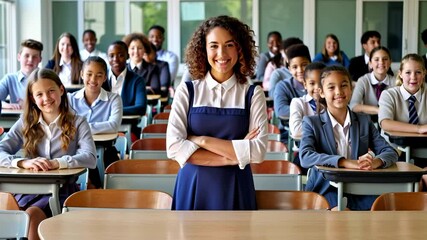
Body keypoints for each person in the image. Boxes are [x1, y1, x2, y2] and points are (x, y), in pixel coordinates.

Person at [166, 15, 268, 210]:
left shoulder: (253, 93)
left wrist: (201, 140)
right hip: (193, 184)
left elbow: (257, 152)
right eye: (213, 45)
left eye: (229, 45)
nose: (221, 53)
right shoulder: (187, 90)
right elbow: (173, 147)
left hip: (236, 184)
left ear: (240, 49)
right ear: (203, 50)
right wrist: (231, 158)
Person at [0, 68, 97, 239]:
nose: (46, 98)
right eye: (39, 94)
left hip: (62, 191)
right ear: (32, 98)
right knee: (24, 214)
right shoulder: (25, 122)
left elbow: (90, 157)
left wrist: (58, 163)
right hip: (26, 191)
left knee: (32, 215)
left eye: (51, 91)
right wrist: (22, 162)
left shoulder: (78, 122)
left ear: (61, 90)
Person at [299, 65, 398, 210]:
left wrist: (376, 162)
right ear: (321, 92)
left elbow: (389, 152)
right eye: (331, 87)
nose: (339, 92)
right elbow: (306, 156)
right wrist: (344, 162)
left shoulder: (364, 121)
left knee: (384, 210)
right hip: (327, 189)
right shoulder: (311, 123)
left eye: (344, 85)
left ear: (351, 89)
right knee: (341, 216)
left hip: (361, 188)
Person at [68, 56, 122, 188]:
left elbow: (113, 125)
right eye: (89, 74)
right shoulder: (70, 99)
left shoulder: (114, 99)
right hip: (75, 150)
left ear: (105, 78)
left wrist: (81, 128)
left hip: (105, 150)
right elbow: (66, 126)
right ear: (81, 74)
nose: (93, 80)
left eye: (99, 75)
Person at [378, 53, 427, 168]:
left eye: (418, 72)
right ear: (400, 74)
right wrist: (419, 129)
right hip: (394, 152)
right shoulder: (388, 94)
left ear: (424, 73)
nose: (413, 77)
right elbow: (385, 123)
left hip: (424, 152)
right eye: (408, 72)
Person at [103, 41, 147, 141]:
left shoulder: (137, 80)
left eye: (120, 55)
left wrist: (113, 111)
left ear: (127, 56)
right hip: (103, 128)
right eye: (111, 56)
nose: (115, 59)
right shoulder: (101, 79)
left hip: (128, 129)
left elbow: (141, 108)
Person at [289, 62, 326, 174]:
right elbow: (296, 131)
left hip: (329, 155)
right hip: (304, 154)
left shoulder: (332, 104)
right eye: (312, 83)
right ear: (305, 84)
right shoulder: (298, 103)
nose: (317, 87)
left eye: (321, 83)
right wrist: (325, 132)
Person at [273, 44, 311, 143]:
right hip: (289, 134)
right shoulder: (282, 86)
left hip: (317, 134)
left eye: (304, 65)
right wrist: (311, 110)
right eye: (295, 67)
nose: (300, 70)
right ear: (289, 69)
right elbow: (281, 111)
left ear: (310, 64)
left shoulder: (318, 84)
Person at [350, 46, 396, 116]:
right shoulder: (363, 80)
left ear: (390, 62)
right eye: (376, 59)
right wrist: (379, 110)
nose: (381, 62)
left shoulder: (395, 82)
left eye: (385, 59)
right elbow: (353, 106)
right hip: (368, 122)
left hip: (390, 120)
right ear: (370, 63)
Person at [0, 39, 43, 110]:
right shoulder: (9, 79)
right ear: (19, 57)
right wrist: (4, 105)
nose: (30, 60)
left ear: (40, 59)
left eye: (35, 57)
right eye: (26, 56)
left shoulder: (47, 79)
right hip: (18, 119)